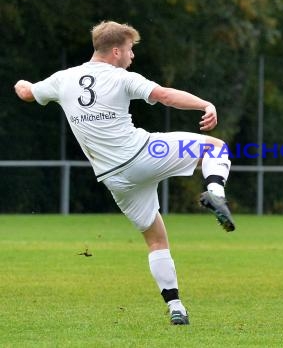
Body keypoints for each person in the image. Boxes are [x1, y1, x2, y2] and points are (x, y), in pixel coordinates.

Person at [14, 20, 237, 326]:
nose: (132, 56)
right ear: (116, 50)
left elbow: (27, 93)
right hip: (143, 153)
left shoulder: (62, 80)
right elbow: (165, 96)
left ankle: (176, 306)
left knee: (156, 240)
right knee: (216, 148)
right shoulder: (121, 78)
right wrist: (205, 104)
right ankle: (217, 194)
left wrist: (22, 84)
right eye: (130, 50)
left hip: (114, 179)